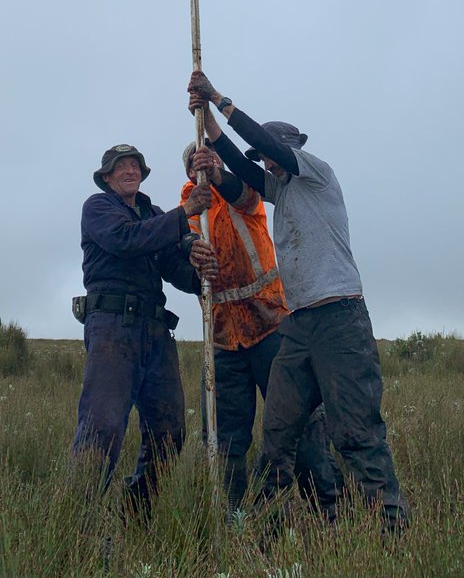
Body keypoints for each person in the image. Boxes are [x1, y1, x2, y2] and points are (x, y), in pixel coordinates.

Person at [187, 74, 411, 531]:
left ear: (288, 148)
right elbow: (240, 162)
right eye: (265, 162)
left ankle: (391, 531)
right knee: (278, 433)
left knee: (355, 431)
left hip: (339, 318)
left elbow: (256, 141)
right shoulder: (281, 189)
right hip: (298, 324)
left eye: (270, 156)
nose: (265, 166)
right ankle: (269, 528)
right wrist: (206, 121)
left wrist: (220, 100)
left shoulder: (314, 173)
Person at [181, 141, 342, 518]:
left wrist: (219, 174)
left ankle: (330, 512)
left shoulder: (244, 193)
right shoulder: (188, 212)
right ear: (187, 171)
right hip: (222, 339)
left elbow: (245, 197)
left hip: (270, 326)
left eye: (209, 157)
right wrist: (188, 249)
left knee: (299, 423)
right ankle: (236, 517)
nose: (202, 164)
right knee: (226, 440)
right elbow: (180, 265)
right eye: (195, 161)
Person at [72, 142, 217, 520]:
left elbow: (173, 268)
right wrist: (184, 212)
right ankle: (76, 523)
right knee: (102, 426)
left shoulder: (152, 214)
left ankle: (135, 512)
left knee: (170, 432)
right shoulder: (99, 207)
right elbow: (127, 241)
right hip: (112, 329)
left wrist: (198, 268)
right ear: (107, 177)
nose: (130, 170)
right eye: (121, 166)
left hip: (155, 330)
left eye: (135, 165)